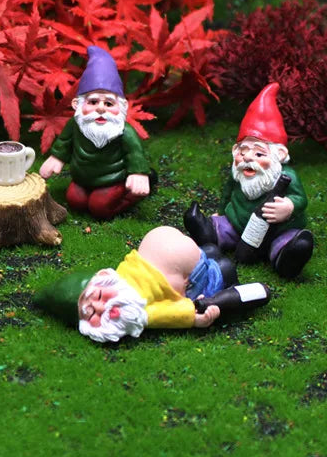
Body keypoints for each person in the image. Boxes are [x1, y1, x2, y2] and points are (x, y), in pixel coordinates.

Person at [183, 83, 313, 279]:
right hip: (236, 223)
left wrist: (289, 206)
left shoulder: (287, 176)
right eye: (243, 152)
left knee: (286, 241)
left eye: (259, 153)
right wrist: (221, 210)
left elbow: (300, 198)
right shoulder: (239, 174)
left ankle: (287, 256)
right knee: (223, 227)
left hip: (278, 229)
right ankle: (210, 232)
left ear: (279, 154)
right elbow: (227, 193)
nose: (248, 158)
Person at [34, 226, 245, 343]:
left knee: (211, 252)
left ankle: (208, 244)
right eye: (91, 313)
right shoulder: (139, 312)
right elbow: (169, 314)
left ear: (103, 276)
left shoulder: (122, 281)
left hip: (190, 264)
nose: (101, 306)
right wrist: (194, 318)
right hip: (192, 279)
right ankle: (214, 257)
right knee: (225, 269)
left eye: (98, 296)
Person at [38, 45, 153, 218]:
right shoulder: (75, 125)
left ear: (122, 106)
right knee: (75, 200)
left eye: (108, 103)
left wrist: (138, 172)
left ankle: (132, 194)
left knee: (99, 206)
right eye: (93, 102)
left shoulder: (124, 131)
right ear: (77, 104)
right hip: (82, 179)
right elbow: (64, 142)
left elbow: (135, 152)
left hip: (112, 179)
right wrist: (56, 158)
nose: (100, 108)